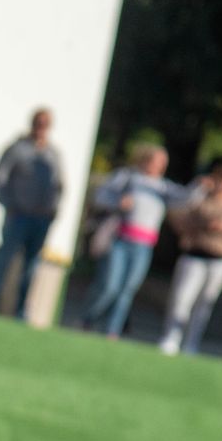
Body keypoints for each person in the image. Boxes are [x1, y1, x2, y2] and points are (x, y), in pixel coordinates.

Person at [81, 144, 208, 338]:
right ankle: (89, 318)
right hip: (120, 239)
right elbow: (100, 196)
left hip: (144, 244)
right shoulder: (127, 178)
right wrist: (118, 202)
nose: (158, 166)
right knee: (110, 285)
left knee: (127, 290)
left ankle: (112, 330)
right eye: (155, 161)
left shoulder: (163, 187)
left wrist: (199, 187)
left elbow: (185, 198)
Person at [158, 162, 222, 355]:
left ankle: (191, 343)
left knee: (204, 304)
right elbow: (176, 218)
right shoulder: (199, 201)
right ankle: (171, 338)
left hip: (220, 260)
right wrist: (197, 190)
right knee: (182, 298)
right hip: (195, 255)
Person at [0, 108, 63, 318]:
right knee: (3, 263)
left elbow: (59, 185)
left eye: (46, 123)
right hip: (18, 216)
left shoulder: (53, 155)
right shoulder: (17, 149)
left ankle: (19, 312)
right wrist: (10, 205)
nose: (42, 127)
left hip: (42, 220)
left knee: (31, 268)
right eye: (39, 122)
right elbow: (1, 180)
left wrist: (53, 211)